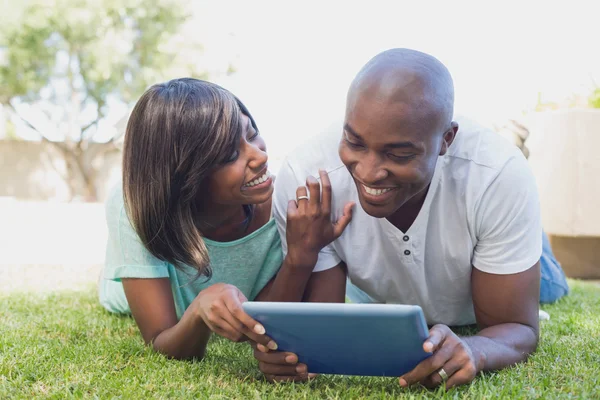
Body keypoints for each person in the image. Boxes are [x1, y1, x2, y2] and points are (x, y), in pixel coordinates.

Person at [253, 48, 568, 388]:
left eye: (399, 153)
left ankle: (539, 245)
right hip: (384, 285)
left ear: (446, 139)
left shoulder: (497, 174)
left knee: (548, 283)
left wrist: (474, 349)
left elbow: (518, 329)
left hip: (491, 258)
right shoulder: (307, 175)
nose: (370, 172)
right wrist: (290, 352)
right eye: (354, 142)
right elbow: (323, 330)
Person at [98, 78, 353, 370]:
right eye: (230, 155)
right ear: (184, 178)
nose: (260, 156)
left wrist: (298, 259)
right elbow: (160, 340)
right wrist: (198, 312)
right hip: (135, 291)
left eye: (252, 134)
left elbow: (264, 323)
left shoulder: (287, 202)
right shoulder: (134, 206)